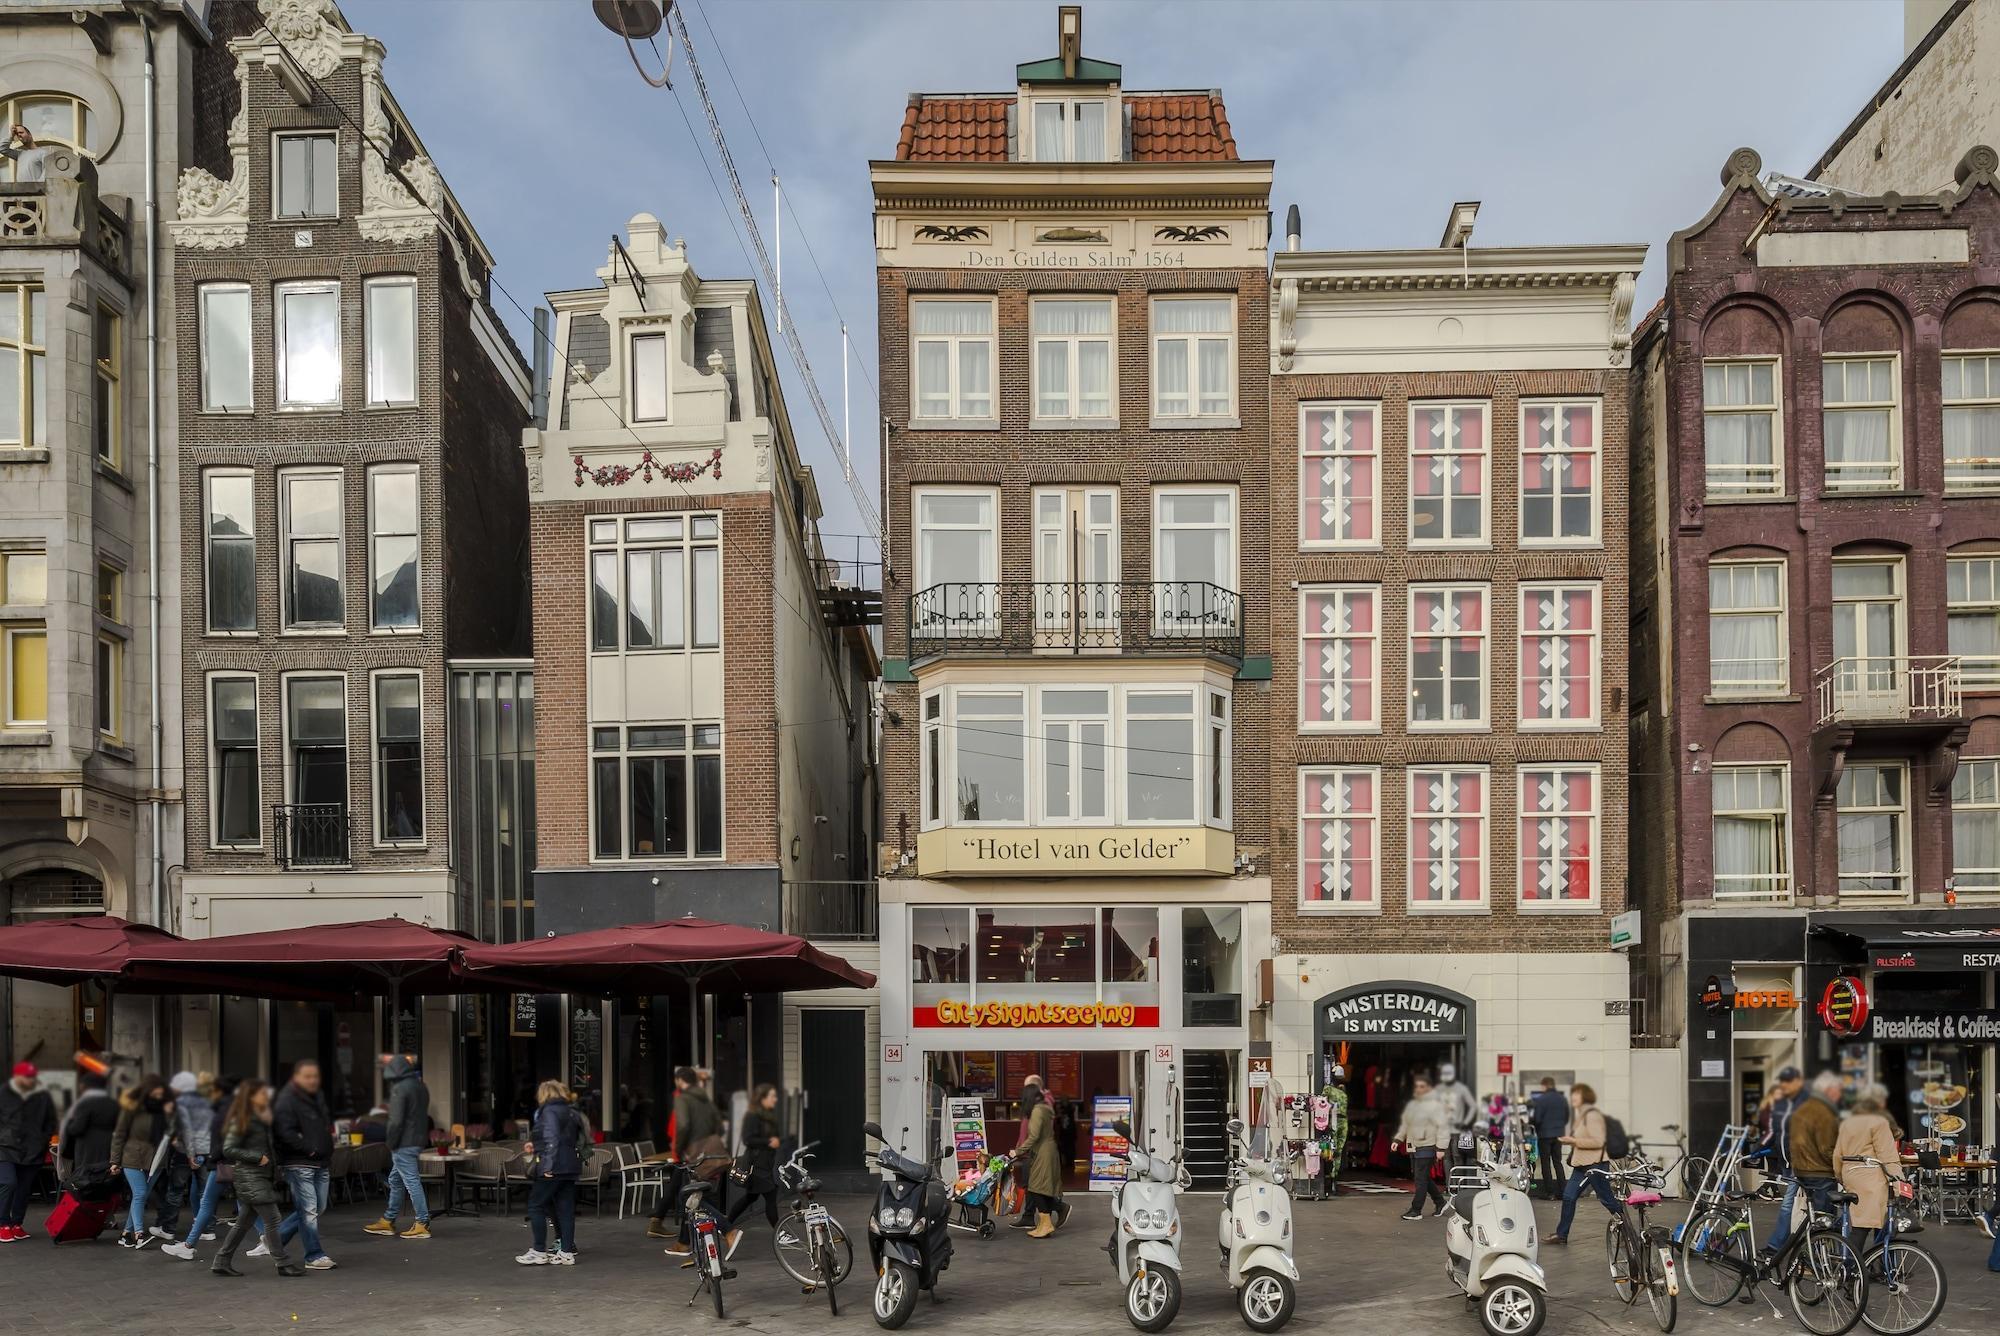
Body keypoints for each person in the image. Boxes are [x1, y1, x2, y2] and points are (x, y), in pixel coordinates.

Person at [210, 1080, 301, 1278]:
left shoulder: (260, 1118)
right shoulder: (242, 1119)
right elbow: (228, 1149)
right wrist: (257, 1157)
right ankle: (282, 1263)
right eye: (261, 1094)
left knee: (244, 1222)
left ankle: (221, 1260)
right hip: (251, 1176)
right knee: (273, 1219)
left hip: (260, 1176)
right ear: (250, 1097)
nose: (266, 1096)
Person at [261, 1060, 335, 1270]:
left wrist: (325, 1148)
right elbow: (284, 1132)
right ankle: (314, 1255)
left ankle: (274, 1239)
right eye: (308, 1076)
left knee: (316, 1208)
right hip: (299, 1162)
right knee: (310, 1210)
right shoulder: (286, 1100)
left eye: (315, 1076)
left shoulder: (315, 1097)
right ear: (296, 1077)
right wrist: (309, 1149)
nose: (313, 1080)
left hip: (320, 1161)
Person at [1769, 1071, 1844, 1254]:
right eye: (1838, 1090)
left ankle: (1806, 1252)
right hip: (1820, 1172)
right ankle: (1818, 1259)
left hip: (1802, 1169)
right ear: (1830, 1090)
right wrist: (1840, 1166)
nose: (1840, 1094)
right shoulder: (1824, 1112)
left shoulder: (1803, 1108)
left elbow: (1793, 1139)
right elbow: (1826, 1148)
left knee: (1811, 1216)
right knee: (1823, 1218)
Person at [365, 1054, 433, 1240]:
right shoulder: (420, 1086)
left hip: (404, 1142)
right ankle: (388, 1220)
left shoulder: (399, 1089)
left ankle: (422, 1222)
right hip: (417, 1139)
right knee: (396, 1180)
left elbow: (396, 1121)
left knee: (411, 1181)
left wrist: (391, 1143)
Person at [517, 1081, 584, 1266]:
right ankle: (566, 1252)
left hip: (554, 1165)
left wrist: (547, 1166)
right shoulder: (571, 1111)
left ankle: (539, 1250)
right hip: (570, 1166)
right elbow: (570, 1138)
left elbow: (552, 1139)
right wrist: (536, 1144)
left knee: (536, 1205)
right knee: (566, 1210)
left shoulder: (549, 1111)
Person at [1834, 1082, 1906, 1254]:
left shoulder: (1847, 1122)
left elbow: (1837, 1155)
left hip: (1851, 1176)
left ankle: (1852, 1267)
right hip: (1873, 1179)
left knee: (1860, 1224)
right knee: (1879, 1224)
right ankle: (1879, 1265)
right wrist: (1899, 1183)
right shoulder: (1879, 1122)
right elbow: (1888, 1157)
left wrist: (1841, 1177)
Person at [661, 1067, 725, 1257]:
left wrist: (679, 1152)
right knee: (702, 1197)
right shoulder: (706, 1099)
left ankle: (728, 1230)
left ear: (680, 1080)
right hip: (712, 1155)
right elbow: (719, 1127)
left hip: (693, 1157)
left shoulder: (682, 1098)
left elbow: (683, 1126)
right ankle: (688, 1241)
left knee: (690, 1198)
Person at [1549, 1083, 1621, 1245]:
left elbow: (1599, 1141)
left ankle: (1626, 1229)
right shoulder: (1582, 1115)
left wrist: (1574, 1141)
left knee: (1607, 1199)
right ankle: (1561, 1235)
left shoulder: (1591, 1116)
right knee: (1568, 1197)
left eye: (1577, 1094)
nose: (1573, 1097)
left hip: (1595, 1165)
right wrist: (1571, 1141)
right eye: (1573, 1093)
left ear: (1585, 1096)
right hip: (1582, 1165)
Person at [161, 1073, 223, 1259]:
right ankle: (208, 1230)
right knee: (206, 1193)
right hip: (208, 1151)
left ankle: (169, 1229)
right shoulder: (208, 1102)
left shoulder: (182, 1103)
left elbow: (187, 1130)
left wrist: (189, 1154)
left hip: (191, 1152)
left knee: (176, 1190)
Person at [109, 1073, 173, 1249]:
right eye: (156, 1094)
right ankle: (139, 1234)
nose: (159, 1097)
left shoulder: (165, 1109)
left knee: (141, 1196)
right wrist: (115, 1161)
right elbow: (119, 1134)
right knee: (140, 1193)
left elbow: (172, 1132)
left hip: (157, 1159)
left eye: (162, 1094)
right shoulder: (131, 1107)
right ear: (147, 1091)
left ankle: (125, 1234)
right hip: (133, 1156)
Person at [0, 1061, 57, 1242]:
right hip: (5, 1148)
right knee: (8, 1183)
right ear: (16, 1076)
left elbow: (51, 1120)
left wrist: (43, 1139)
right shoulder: (3, 1093)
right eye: (27, 1077)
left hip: (33, 1150)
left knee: (24, 1189)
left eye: (33, 1076)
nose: (31, 1080)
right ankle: (2, 1224)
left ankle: (16, 1223)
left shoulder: (42, 1096)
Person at [1756, 1066, 1805, 1251]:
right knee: (1793, 1205)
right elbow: (1775, 1132)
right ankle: (1792, 1245)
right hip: (1787, 1163)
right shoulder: (1782, 1107)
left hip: (1797, 1163)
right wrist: (1759, 1148)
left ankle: (1777, 1245)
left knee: (1788, 1205)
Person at [725, 1084, 783, 1232]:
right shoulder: (753, 1116)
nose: (775, 1099)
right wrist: (769, 1141)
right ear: (762, 1098)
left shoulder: (767, 1115)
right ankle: (779, 1233)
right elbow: (747, 1139)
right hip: (756, 1165)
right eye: (772, 1096)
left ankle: (725, 1224)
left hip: (764, 1163)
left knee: (750, 1198)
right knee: (770, 1196)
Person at [1392, 1073, 1449, 1221]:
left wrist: (1441, 1148)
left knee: (1420, 1179)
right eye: (1417, 1086)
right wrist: (1398, 1139)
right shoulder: (1413, 1105)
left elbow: (1443, 1127)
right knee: (1422, 1178)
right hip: (1415, 1146)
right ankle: (1440, 1202)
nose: (1419, 1089)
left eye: (1422, 1086)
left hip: (1428, 1145)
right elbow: (1405, 1124)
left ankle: (1416, 1210)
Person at [1012, 1079, 1062, 1239]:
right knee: (1039, 1187)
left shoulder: (1037, 1111)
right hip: (1046, 1150)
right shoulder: (1044, 1108)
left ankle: (1046, 1224)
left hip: (1043, 1152)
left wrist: (1018, 1151)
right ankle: (1043, 1223)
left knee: (1035, 1187)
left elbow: (1033, 1136)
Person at [57, 1068, 118, 1187]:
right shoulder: (113, 1103)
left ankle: (89, 1201)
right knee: (104, 1175)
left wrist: (68, 1127)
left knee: (86, 1177)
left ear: (85, 1086)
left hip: (87, 1147)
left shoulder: (84, 1103)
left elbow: (77, 1128)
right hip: (108, 1145)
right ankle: (105, 1200)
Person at [1527, 1076, 1570, 1200]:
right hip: (1558, 1135)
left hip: (1545, 1135)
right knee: (1558, 1162)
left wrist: (1535, 1126)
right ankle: (1563, 1192)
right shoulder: (1562, 1099)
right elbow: (1566, 1117)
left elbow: (1538, 1118)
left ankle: (1550, 1193)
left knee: (1546, 1163)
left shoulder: (1541, 1100)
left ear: (1544, 1085)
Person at [1435, 1062, 1479, 1169]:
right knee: (1447, 1158)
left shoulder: (1461, 1088)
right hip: (1443, 1129)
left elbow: (1473, 1106)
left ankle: (1457, 1183)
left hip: (1456, 1129)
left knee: (1456, 1157)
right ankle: (1450, 1185)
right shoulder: (1438, 1089)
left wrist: (1465, 1122)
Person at [1320, 1064, 1349, 1197]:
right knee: (1331, 1149)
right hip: (1333, 1119)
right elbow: (1321, 1103)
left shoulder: (1343, 1090)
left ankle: (1334, 1179)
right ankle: (1329, 1179)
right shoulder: (1328, 1089)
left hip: (1343, 1120)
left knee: (1339, 1150)